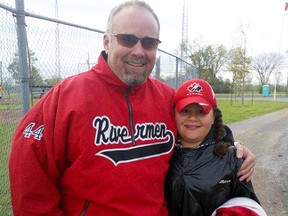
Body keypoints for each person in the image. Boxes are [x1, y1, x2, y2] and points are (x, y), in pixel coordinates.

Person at [9, 1, 255, 215]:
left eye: (148, 42)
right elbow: (30, 184)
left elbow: (202, 128)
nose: (138, 51)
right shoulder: (66, 97)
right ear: (107, 41)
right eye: (127, 39)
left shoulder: (166, 97)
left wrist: (237, 150)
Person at [164, 78, 262, 216]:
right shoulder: (162, 153)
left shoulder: (233, 160)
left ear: (214, 117)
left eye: (201, 111)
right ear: (174, 113)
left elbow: (249, 208)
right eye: (185, 111)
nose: (192, 118)